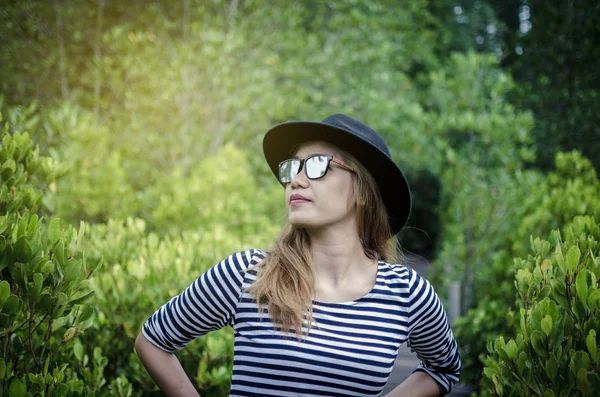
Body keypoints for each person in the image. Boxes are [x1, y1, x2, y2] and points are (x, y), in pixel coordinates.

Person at [135, 114, 461, 396]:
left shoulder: (405, 292)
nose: (297, 181)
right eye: (293, 169)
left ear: (362, 190)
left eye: (318, 166)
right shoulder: (248, 273)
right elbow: (153, 340)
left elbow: (444, 368)